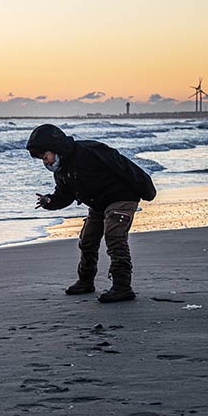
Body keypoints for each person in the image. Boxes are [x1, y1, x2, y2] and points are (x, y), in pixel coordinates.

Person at [25, 124, 156, 303]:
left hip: (121, 197)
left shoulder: (89, 151)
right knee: (87, 241)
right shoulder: (62, 170)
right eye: (41, 158)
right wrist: (50, 201)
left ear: (56, 148)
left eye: (44, 155)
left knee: (114, 237)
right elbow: (65, 195)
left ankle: (122, 286)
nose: (45, 161)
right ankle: (85, 281)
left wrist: (147, 190)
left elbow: (122, 165)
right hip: (98, 205)